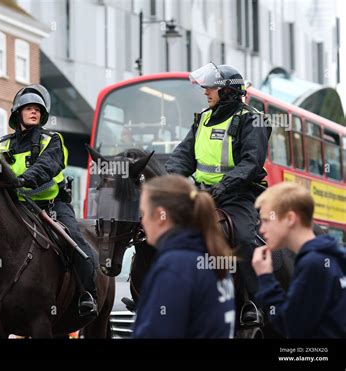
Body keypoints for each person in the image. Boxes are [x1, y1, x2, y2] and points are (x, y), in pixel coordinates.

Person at [0, 84, 98, 318]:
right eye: (28, 108)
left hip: (51, 206)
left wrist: (22, 179)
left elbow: (48, 165)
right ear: (18, 114)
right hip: (16, 208)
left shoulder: (52, 140)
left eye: (37, 109)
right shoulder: (2, 144)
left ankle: (88, 293)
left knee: (74, 240)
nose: (34, 112)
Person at [165, 63, 271, 300]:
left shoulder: (253, 120)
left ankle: (256, 301)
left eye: (211, 87)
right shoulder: (202, 119)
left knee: (244, 238)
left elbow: (251, 163)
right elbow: (183, 155)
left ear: (227, 92)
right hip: (200, 194)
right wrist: (172, 178)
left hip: (239, 196)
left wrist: (221, 188)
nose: (206, 92)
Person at [132, 174, 235, 338]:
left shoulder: (175, 266)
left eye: (143, 213)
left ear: (160, 215)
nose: (141, 222)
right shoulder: (212, 255)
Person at [252, 182, 346, 338]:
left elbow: (290, 326)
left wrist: (265, 277)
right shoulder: (331, 256)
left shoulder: (312, 263)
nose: (261, 229)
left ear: (290, 219)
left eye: (267, 220)